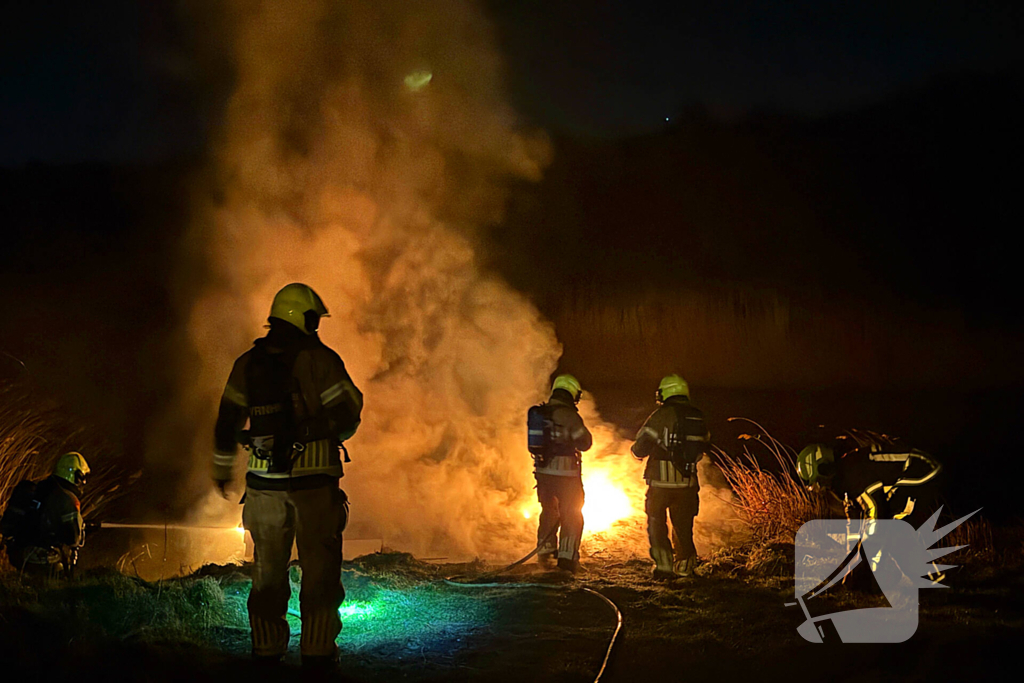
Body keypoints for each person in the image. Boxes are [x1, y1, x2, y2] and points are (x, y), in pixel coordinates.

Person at [212, 283, 363, 670]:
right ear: (302, 317)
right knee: (320, 575)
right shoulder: (320, 361)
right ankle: (317, 654)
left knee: (266, 575)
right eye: (313, 318)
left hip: (263, 489)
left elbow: (227, 421)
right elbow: (348, 414)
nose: (315, 326)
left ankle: (266, 652)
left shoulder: (247, 364)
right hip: (315, 488)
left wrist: (221, 469)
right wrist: (314, 430)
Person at [631, 375, 710, 580]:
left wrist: (637, 453)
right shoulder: (698, 417)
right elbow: (704, 446)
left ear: (666, 393)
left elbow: (640, 447)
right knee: (684, 525)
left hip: (660, 484)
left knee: (657, 523)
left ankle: (664, 566)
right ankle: (685, 566)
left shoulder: (661, 415)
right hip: (687, 483)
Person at [530, 374, 593, 573]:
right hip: (566, 476)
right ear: (572, 394)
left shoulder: (540, 413)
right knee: (572, 515)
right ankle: (567, 561)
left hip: (543, 475)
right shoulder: (569, 415)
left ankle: (545, 558)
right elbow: (585, 442)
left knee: (548, 512)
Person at [1, 452, 89, 579]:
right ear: (76, 476)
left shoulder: (38, 489)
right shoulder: (67, 499)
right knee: (62, 567)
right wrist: (82, 527)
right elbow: (73, 539)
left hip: (17, 554)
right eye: (83, 477)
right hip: (40, 558)